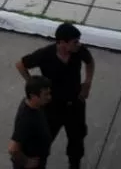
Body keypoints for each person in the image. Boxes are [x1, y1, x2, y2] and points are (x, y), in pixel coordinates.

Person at [15, 23, 95, 169]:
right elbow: (21, 64)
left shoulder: (78, 51)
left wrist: (87, 83)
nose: (79, 44)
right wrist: (32, 83)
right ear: (62, 43)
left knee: (77, 139)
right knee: (44, 141)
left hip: (75, 104)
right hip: (52, 107)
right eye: (75, 41)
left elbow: (89, 62)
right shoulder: (45, 54)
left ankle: (74, 164)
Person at [9, 76, 54, 169]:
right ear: (33, 96)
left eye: (49, 93)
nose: (49, 97)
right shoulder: (26, 118)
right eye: (46, 94)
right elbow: (13, 149)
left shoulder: (36, 105)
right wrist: (26, 162)